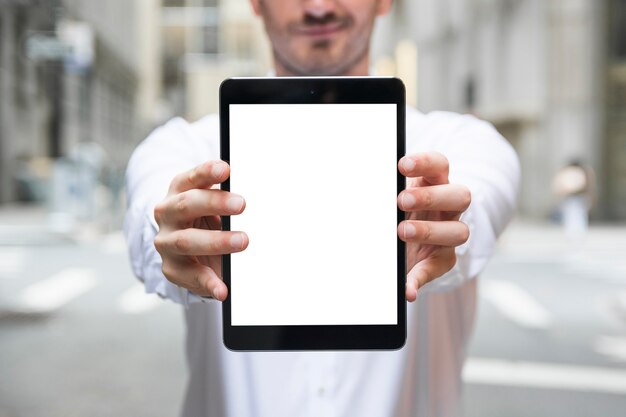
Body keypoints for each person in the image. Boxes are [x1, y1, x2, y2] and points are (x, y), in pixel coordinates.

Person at [124, 1, 520, 416]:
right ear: (256, 3)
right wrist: (177, 239)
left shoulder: (462, 145)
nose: (318, 7)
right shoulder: (186, 151)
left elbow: (482, 199)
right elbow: (148, 219)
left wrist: (444, 227)